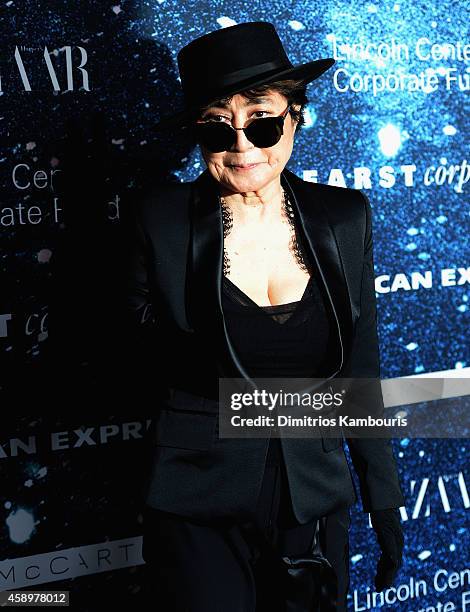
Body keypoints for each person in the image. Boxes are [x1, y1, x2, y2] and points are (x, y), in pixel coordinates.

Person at [125, 21, 406, 612]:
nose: (243, 145)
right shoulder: (162, 220)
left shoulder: (345, 216)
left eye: (262, 120)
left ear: (295, 117)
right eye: (217, 127)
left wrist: (382, 499)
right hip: (198, 497)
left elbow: (360, 371)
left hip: (312, 500)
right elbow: (131, 358)